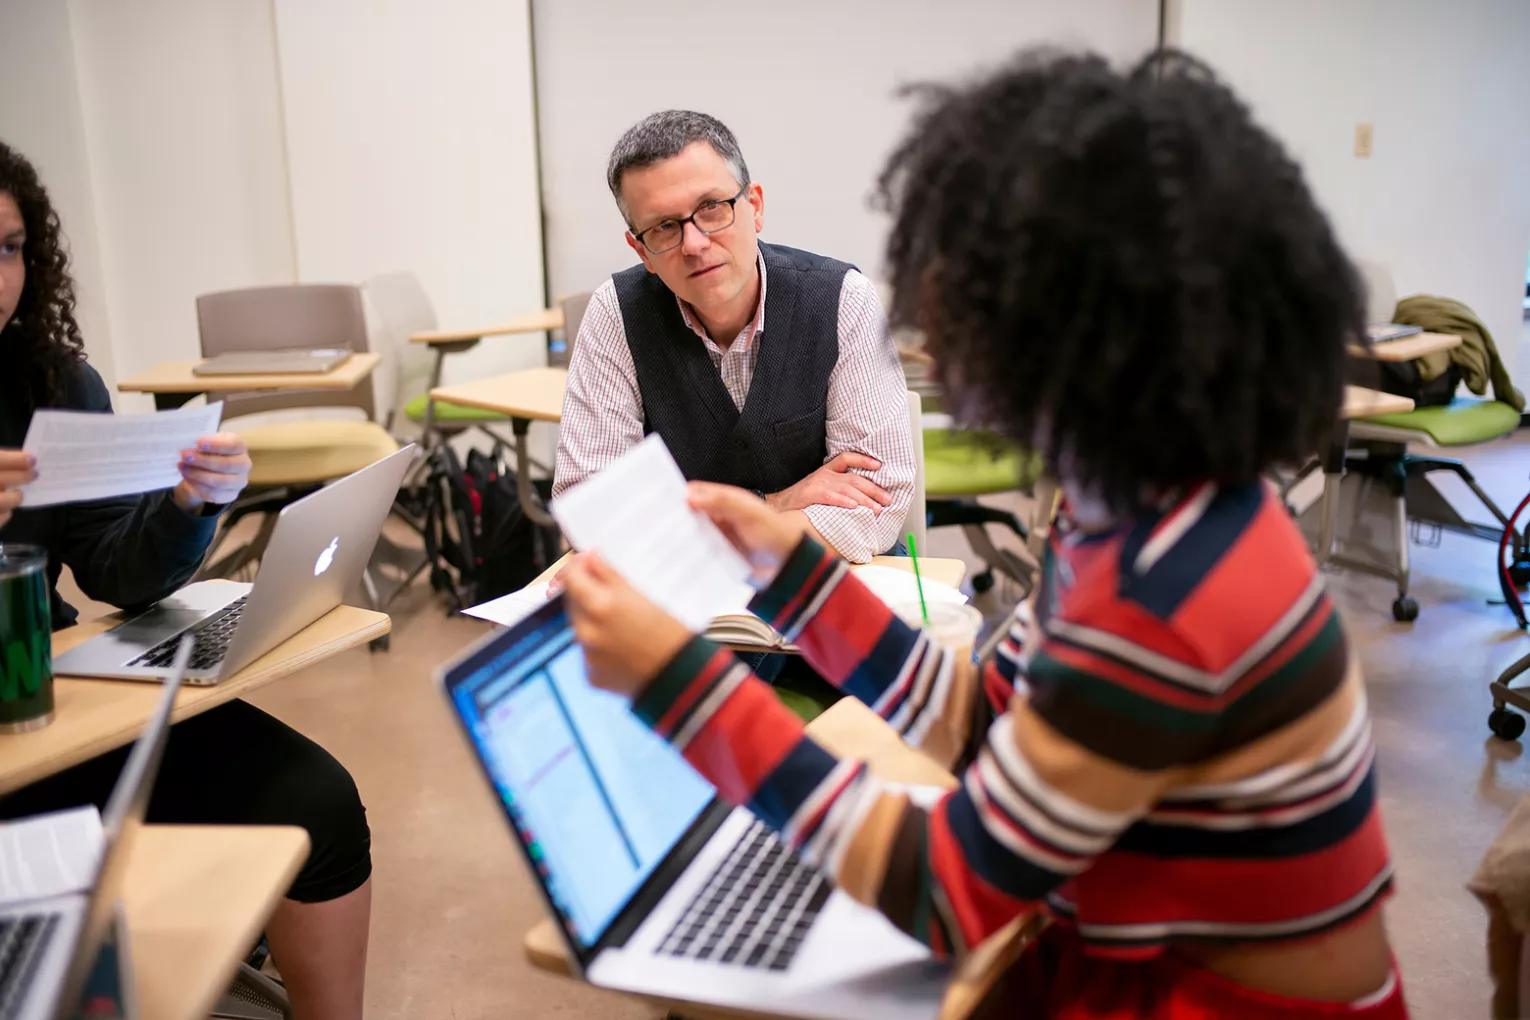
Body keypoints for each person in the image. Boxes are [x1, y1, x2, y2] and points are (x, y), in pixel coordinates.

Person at [559, 51, 1408, 1018]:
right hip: (1120, 962)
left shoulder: (1168, 599)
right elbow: (985, 719)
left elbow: (944, 892)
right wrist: (794, 568)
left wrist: (681, 687)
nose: (936, 318)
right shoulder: (1141, 506)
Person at [0, 140, 370, 1020]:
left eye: (9, 246)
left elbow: (119, 572)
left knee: (315, 800)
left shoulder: (53, 383)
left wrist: (184, 505)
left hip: (45, 697)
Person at [554, 110, 916, 564]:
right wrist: (773, 505)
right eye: (664, 227)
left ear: (755, 206)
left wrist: (680, 535)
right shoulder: (616, 314)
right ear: (641, 249)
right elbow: (591, 514)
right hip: (682, 601)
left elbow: (876, 508)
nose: (694, 243)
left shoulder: (842, 298)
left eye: (711, 208)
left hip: (827, 580)